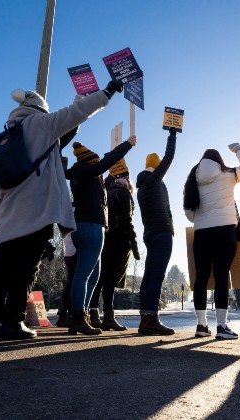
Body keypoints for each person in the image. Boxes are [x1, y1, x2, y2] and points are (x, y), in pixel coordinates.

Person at [0, 81, 124, 341]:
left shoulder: (6, 135)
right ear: (41, 109)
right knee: (27, 268)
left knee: (2, 267)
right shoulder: (41, 124)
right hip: (36, 210)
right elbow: (75, 115)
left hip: (9, 213)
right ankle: (13, 322)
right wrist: (106, 93)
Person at [65, 137, 137, 335]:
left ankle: (82, 315)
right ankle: (78, 316)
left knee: (94, 275)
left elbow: (104, 176)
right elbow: (107, 163)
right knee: (84, 274)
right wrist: (127, 145)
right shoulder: (87, 171)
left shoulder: (81, 176)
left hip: (82, 226)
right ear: (91, 161)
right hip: (91, 227)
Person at [183, 144, 240, 340]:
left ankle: (201, 326)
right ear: (218, 161)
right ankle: (222, 327)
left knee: (202, 278)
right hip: (224, 231)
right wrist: (238, 150)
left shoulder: (191, 180)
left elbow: (189, 213)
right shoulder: (228, 174)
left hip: (201, 233)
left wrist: (201, 219)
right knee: (222, 275)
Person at [135, 128, 177, 335]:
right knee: (157, 276)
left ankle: (146, 319)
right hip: (161, 233)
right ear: (156, 166)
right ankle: (151, 320)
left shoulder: (142, 187)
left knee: (149, 276)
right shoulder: (153, 181)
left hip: (150, 234)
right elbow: (169, 157)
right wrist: (173, 134)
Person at [88, 174, 140, 331]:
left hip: (104, 238)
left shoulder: (106, 190)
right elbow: (127, 221)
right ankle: (109, 318)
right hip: (119, 241)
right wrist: (134, 243)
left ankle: (94, 315)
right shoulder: (123, 192)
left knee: (100, 278)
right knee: (109, 280)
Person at [55, 232, 77, 328]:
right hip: (74, 247)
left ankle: (63, 315)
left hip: (68, 249)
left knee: (70, 282)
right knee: (74, 282)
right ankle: (69, 316)